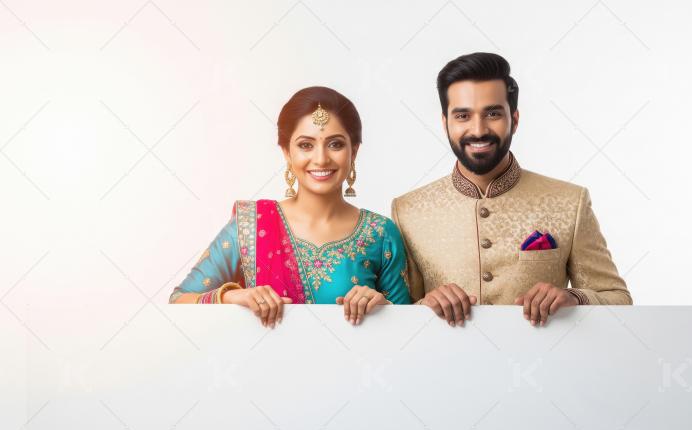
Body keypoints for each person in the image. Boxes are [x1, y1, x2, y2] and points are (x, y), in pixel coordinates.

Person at [391, 52, 632, 328]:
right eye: (463, 116)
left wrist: (574, 298)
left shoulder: (569, 202)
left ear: (514, 120)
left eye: (493, 113)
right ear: (445, 123)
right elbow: (396, 314)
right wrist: (426, 305)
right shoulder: (407, 210)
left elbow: (618, 299)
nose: (478, 129)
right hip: (446, 368)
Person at [170, 86, 411, 327]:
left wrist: (382, 308)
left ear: (354, 151)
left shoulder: (380, 233)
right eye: (306, 145)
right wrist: (233, 296)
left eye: (335, 144)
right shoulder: (251, 226)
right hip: (267, 364)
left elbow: (408, 331)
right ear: (287, 152)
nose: (321, 159)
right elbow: (179, 301)